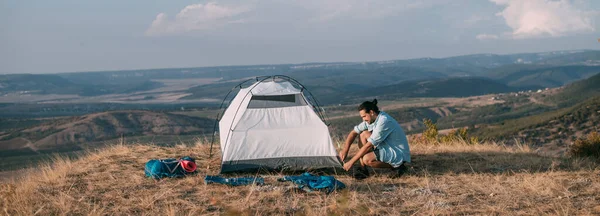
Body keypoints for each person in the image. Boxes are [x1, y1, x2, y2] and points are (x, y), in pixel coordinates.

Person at [339, 99, 411, 177]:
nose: (363, 119)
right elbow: (353, 133)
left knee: (367, 159)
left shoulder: (383, 121)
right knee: (363, 134)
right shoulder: (371, 120)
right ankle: (363, 170)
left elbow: (368, 146)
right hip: (386, 146)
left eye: (364, 116)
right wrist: (345, 150)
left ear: (371, 112)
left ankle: (398, 167)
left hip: (397, 152)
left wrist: (351, 162)